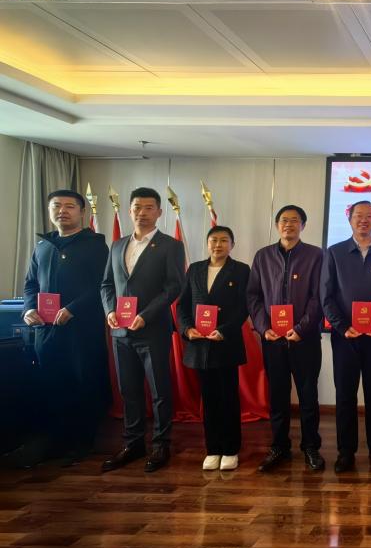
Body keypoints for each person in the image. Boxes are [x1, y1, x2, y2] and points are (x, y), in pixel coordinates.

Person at [17, 189, 109, 468]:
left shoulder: (95, 245)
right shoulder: (42, 246)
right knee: (52, 384)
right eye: (57, 206)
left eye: (70, 206)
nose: (62, 211)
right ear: (49, 211)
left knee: (83, 384)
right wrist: (28, 309)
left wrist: (73, 309)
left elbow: (103, 286)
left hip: (82, 330)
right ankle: (56, 442)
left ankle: (81, 443)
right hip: (46, 330)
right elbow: (31, 284)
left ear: (82, 212)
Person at [100, 187, 185, 473]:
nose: (142, 213)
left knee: (160, 390)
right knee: (129, 390)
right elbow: (106, 285)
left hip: (153, 330)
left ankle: (161, 444)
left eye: (149, 207)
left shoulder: (170, 246)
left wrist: (145, 315)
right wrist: (110, 311)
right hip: (120, 332)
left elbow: (174, 286)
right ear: (129, 210)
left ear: (159, 212)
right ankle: (133, 443)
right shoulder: (117, 245)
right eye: (137, 207)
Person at [321, 200, 371, 472]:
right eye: (358, 215)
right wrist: (342, 326)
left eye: (369, 216)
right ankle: (346, 451)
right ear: (350, 219)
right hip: (345, 337)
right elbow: (326, 295)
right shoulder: (334, 253)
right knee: (345, 394)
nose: (363, 220)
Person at [247, 204, 325, 472]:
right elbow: (253, 296)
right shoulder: (263, 256)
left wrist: (301, 328)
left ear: (303, 225)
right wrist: (262, 327)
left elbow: (318, 297)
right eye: (283, 220)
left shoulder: (316, 255)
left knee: (308, 395)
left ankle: (311, 447)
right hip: (273, 340)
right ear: (277, 225)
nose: (288, 224)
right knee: (277, 396)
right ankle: (279, 446)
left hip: (305, 340)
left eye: (294, 220)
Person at [178, 226, 251, 471]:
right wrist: (187, 329)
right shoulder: (194, 269)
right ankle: (213, 448)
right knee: (209, 400)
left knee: (228, 398)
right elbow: (183, 305)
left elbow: (244, 307)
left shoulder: (240, 270)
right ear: (207, 243)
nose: (218, 245)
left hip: (225, 343)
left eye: (223, 240)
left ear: (232, 244)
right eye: (213, 240)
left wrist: (224, 330)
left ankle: (230, 449)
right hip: (200, 344)